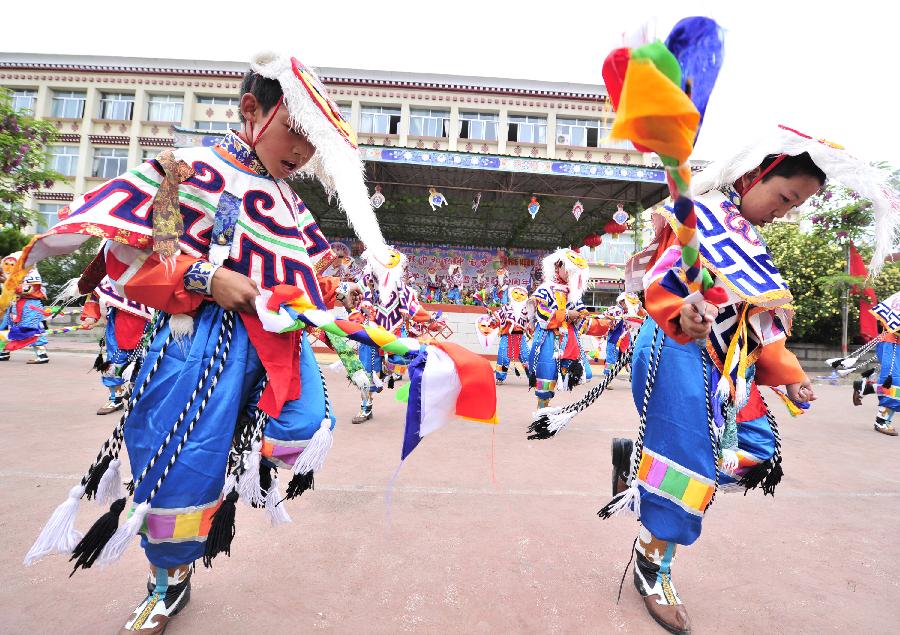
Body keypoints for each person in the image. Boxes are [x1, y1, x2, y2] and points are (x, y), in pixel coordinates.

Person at [9, 51, 390, 634]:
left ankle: (236, 480)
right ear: (251, 109)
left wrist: (334, 312)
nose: (301, 152)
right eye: (296, 131)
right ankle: (167, 583)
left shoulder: (291, 204)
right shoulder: (185, 172)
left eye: (313, 143)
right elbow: (129, 258)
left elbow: (309, 282)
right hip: (192, 346)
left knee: (302, 428)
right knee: (177, 466)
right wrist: (206, 278)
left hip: (274, 348)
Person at [606, 125, 898, 635]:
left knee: (757, 452)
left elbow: (755, 320)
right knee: (689, 466)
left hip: (728, 366)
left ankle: (640, 467)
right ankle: (652, 563)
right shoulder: (700, 215)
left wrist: (787, 375)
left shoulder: (747, 238)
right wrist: (683, 310)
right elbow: (666, 280)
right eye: (784, 197)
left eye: (796, 205)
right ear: (753, 174)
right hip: (676, 349)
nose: (784, 212)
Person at [526, 248, 610, 408]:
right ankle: (542, 409)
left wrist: (606, 325)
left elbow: (583, 321)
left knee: (579, 372)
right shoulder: (545, 289)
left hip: (569, 341)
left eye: (574, 272)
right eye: (569, 269)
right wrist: (566, 314)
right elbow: (542, 315)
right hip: (547, 338)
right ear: (558, 266)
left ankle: (544, 408)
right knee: (546, 375)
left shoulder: (573, 295)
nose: (571, 274)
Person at [80, 277, 153, 414]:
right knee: (115, 362)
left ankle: (136, 395)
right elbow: (96, 294)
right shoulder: (109, 276)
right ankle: (115, 398)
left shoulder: (154, 270)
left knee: (143, 363)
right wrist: (91, 317)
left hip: (146, 324)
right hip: (118, 325)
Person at [852, 291, 900, 436]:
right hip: (893, 345)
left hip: (892, 345)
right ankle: (882, 421)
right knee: (895, 384)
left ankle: (866, 387)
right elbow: (887, 321)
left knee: (895, 384)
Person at [0, 268, 50, 364]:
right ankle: (3, 351)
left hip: (30, 307)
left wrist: (7, 281)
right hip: (15, 306)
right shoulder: (18, 271)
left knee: (32, 330)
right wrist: (6, 279)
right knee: (5, 328)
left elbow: (26, 289)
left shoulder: (32, 273)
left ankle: (42, 355)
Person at [494, 284, 531, 384]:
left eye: (522, 294)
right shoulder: (506, 307)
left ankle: (532, 378)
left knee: (526, 357)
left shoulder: (527, 310)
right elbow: (498, 318)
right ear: (511, 294)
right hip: (507, 335)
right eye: (516, 293)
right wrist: (493, 320)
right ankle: (500, 378)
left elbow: (531, 322)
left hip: (520, 336)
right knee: (503, 356)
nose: (518, 296)